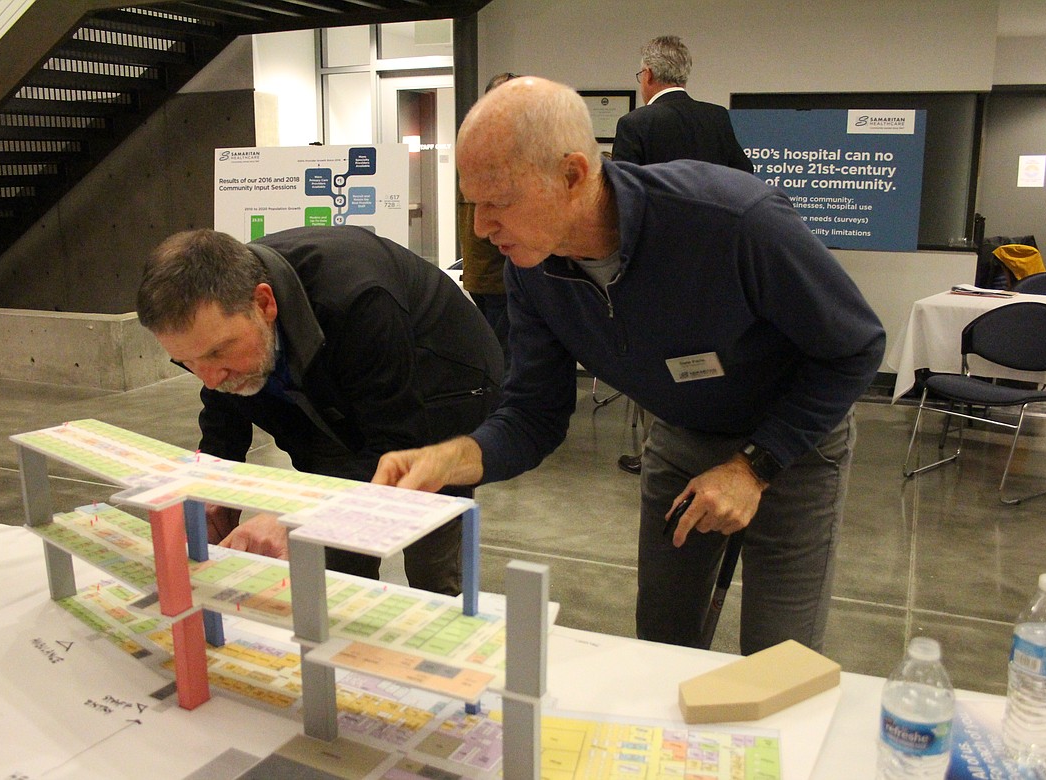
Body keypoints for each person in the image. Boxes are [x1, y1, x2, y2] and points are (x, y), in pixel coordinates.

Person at [372, 77, 885, 655]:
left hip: (795, 441)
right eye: (473, 205)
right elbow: (534, 413)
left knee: (780, 657)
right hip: (684, 434)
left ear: (572, 175)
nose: (482, 229)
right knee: (661, 642)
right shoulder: (533, 268)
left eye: (499, 203)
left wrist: (754, 467)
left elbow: (855, 347)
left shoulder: (733, 220)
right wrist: (454, 457)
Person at [136, 226, 503, 596]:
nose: (210, 378)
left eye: (217, 352)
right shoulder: (226, 317)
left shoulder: (358, 298)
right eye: (189, 362)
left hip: (439, 390)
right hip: (336, 392)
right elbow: (222, 406)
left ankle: (443, 617)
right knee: (336, 556)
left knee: (425, 540)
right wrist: (210, 483)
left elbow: (396, 442)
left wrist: (299, 517)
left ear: (264, 304)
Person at [612, 37, 754, 476]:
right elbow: (744, 180)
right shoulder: (717, 118)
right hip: (717, 266)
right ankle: (714, 444)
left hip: (659, 267)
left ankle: (661, 451)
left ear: (649, 76)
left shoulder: (636, 124)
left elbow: (621, 201)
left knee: (659, 359)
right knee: (714, 355)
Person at [613, 35, 753, 173]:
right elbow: (745, 171)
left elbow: (622, 186)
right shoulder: (717, 116)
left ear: (648, 75)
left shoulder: (633, 123)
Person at [459, 71, 520, 370]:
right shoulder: (498, 147)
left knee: (498, 351)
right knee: (505, 357)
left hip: (483, 270)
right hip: (497, 271)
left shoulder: (474, 140)